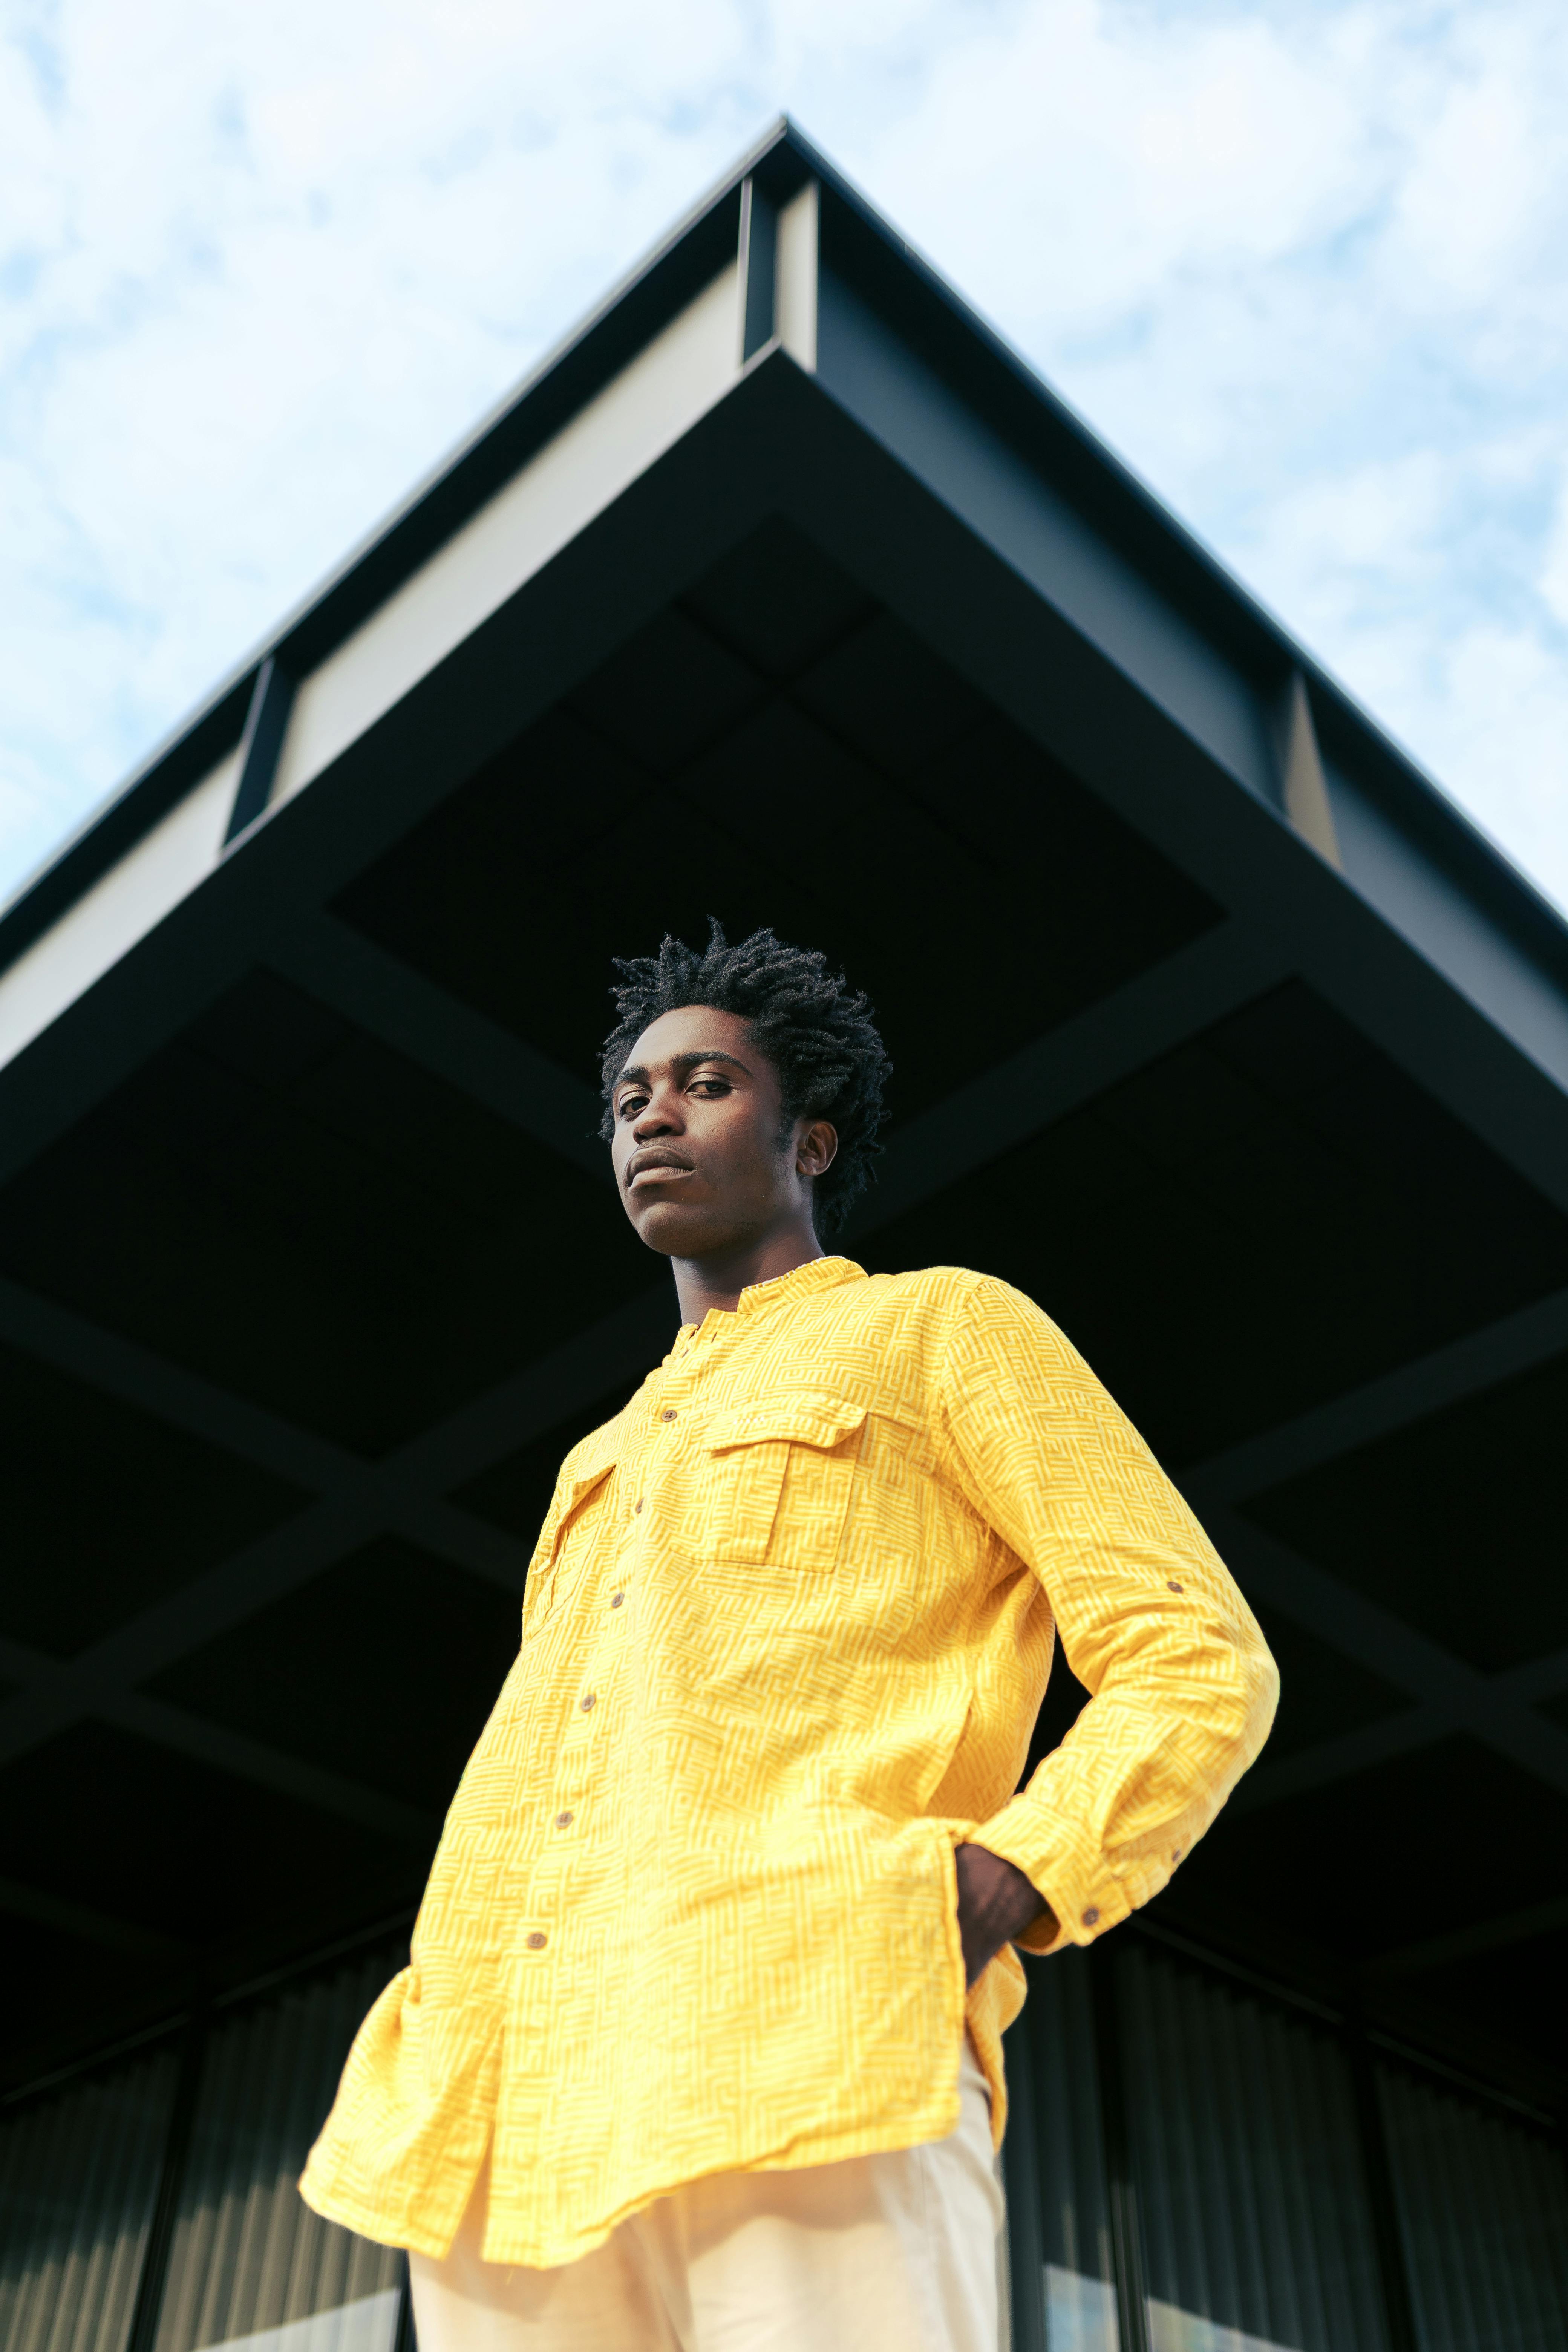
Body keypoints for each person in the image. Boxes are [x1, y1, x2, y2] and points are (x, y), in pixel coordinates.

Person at [300, 922, 1277, 2351]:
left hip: (815, 2040)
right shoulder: (596, 1462)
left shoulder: (945, 1331)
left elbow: (1197, 1653)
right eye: (632, 1098)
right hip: (499, 2120)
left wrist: (1014, 1875)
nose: (653, 1116)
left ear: (809, 1142)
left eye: (705, 1085)